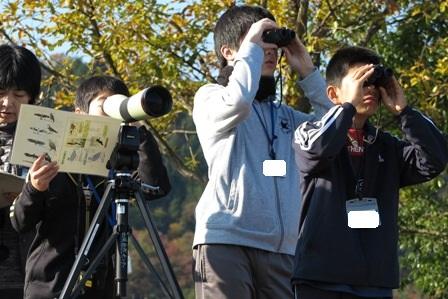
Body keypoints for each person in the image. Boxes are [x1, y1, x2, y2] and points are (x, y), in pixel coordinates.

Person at [192, 5, 333, 299]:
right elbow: (239, 102)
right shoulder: (210, 97)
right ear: (229, 52)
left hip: (282, 248)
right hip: (226, 240)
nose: (268, 49)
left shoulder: (285, 116)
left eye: (272, 42)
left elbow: (335, 130)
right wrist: (253, 46)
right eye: (258, 41)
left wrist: (307, 70)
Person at [291, 46, 448, 299]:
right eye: (361, 82)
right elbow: (319, 148)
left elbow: (436, 158)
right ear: (333, 93)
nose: (371, 89)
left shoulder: (387, 146)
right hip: (321, 277)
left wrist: (404, 113)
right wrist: (347, 109)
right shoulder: (309, 133)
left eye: (374, 82)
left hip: (374, 280)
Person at [10, 75, 171, 299]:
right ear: (79, 114)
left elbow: (156, 187)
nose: (112, 110)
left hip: (100, 289)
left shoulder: (116, 169)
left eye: (118, 102)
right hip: (50, 288)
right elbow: (21, 221)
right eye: (105, 104)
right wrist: (35, 188)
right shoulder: (51, 162)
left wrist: (138, 130)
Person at [0, 43, 41, 299]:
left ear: (32, 97)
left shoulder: (45, 139)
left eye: (19, 94)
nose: (7, 103)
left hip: (30, 273)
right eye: (1, 92)